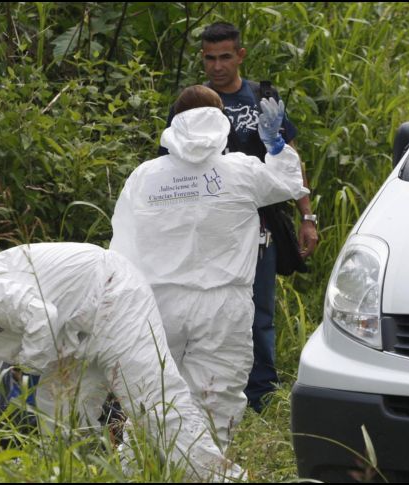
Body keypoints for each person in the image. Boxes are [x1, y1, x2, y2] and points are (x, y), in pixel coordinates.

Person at [0, 242, 242, 481]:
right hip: (72, 337)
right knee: (57, 418)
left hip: (111, 297)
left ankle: (221, 478)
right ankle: (92, 474)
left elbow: (41, 315)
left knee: (153, 404)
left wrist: (27, 372)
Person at [110, 84, 307, 447]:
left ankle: (143, 470)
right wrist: (276, 147)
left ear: (175, 124)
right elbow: (288, 185)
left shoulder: (144, 177)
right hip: (223, 306)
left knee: (154, 399)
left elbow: (121, 248)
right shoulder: (242, 171)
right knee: (216, 402)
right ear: (222, 121)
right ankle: (205, 469)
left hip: (158, 303)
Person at [160, 22, 319, 412]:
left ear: (240, 55)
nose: (217, 66)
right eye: (210, 58)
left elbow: (290, 160)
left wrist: (307, 215)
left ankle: (261, 394)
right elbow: (169, 166)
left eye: (225, 56)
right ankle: (206, 391)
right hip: (207, 228)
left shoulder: (262, 99)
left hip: (259, 224)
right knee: (208, 308)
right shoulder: (192, 103)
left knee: (259, 310)